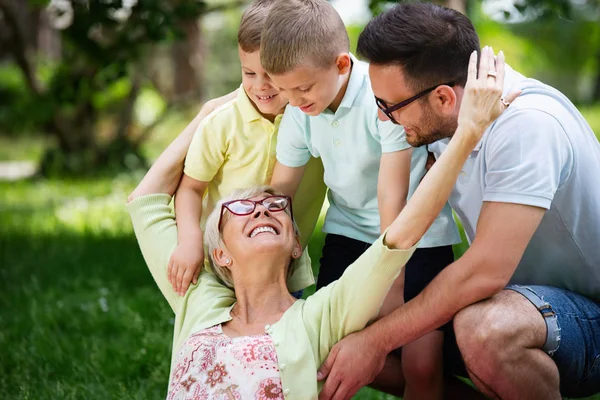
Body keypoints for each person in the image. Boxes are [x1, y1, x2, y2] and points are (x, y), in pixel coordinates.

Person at [126, 48, 511, 399]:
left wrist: (469, 131)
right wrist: (208, 112)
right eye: (242, 207)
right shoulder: (197, 296)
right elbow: (145, 199)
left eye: (276, 207)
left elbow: (398, 238)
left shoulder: (318, 317)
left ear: (296, 244)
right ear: (220, 252)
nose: (263, 209)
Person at [316, 3, 600, 400]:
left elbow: (484, 272)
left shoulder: (527, 126)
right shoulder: (449, 123)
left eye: (389, 107)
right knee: (345, 333)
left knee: (485, 330)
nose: (382, 119)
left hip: (588, 316)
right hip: (526, 305)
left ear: (445, 98)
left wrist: (377, 342)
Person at [260, 2, 460, 397]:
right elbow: (281, 189)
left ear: (340, 65)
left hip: (416, 236)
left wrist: (390, 275)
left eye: (303, 88)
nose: (295, 99)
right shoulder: (301, 110)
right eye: (285, 90)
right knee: (327, 353)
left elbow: (392, 190)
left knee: (421, 365)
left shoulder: (380, 94)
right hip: (348, 232)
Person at [167, 0, 327, 297]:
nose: (261, 86)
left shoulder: (318, 119)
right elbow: (190, 188)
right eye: (249, 73)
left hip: (284, 265)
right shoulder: (223, 123)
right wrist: (189, 238)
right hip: (224, 264)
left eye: (271, 74)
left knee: (282, 335)